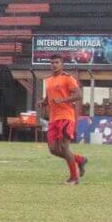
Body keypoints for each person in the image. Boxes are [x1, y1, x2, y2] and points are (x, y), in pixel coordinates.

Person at [38, 54, 89, 184]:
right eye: (52, 63)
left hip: (66, 116)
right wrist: (43, 103)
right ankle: (80, 159)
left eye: (56, 62)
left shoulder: (68, 78)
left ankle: (74, 178)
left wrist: (63, 100)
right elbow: (49, 97)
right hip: (53, 119)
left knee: (64, 147)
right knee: (53, 149)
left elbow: (78, 95)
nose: (54, 65)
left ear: (62, 64)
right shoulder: (49, 80)